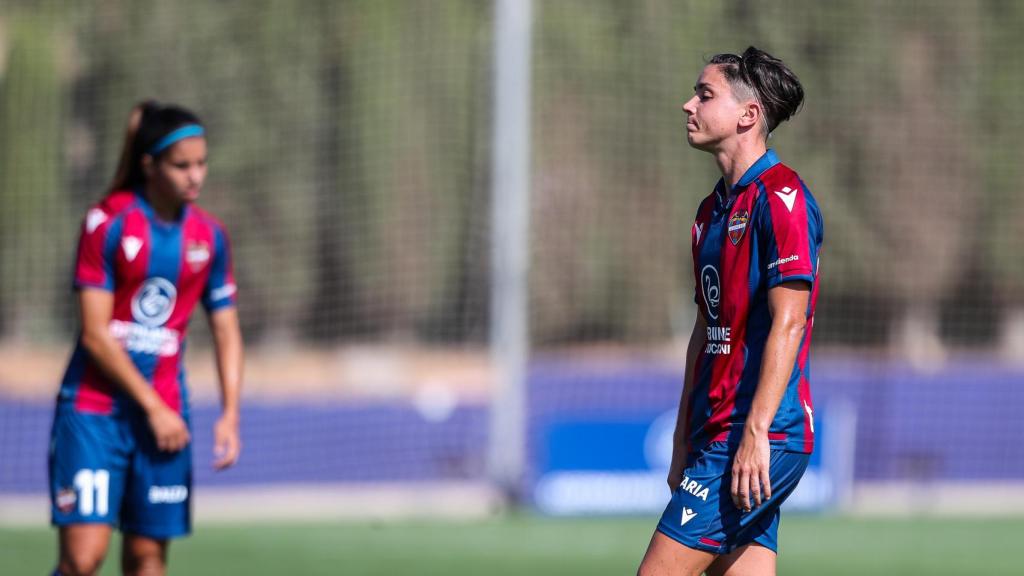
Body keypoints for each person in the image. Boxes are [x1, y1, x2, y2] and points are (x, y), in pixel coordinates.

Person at [637, 47, 822, 576]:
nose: (687, 104)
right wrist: (680, 437)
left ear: (749, 115)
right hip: (715, 433)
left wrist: (756, 433)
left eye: (705, 93)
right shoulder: (710, 212)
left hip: (759, 433)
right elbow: (706, 329)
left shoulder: (782, 197)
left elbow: (790, 320)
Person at [49, 101, 243, 576]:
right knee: (82, 559)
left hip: (166, 420)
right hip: (95, 415)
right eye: (182, 165)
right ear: (149, 165)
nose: (195, 176)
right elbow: (96, 336)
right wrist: (154, 408)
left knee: (147, 559)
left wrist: (230, 414)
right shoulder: (108, 223)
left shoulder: (209, 237)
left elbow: (226, 328)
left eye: (201, 163)